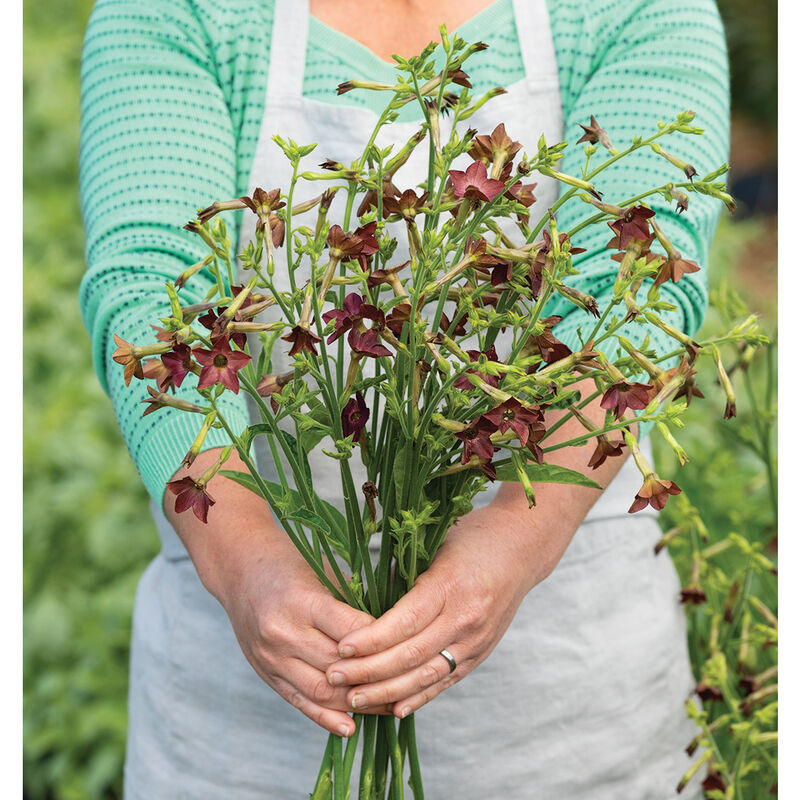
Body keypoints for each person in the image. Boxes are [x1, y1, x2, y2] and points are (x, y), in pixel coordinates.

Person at [79, 0, 729, 796]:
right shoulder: (183, 12)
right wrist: (249, 563)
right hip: (248, 733)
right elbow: (150, 296)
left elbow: (635, 292)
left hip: (573, 710)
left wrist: (516, 537)